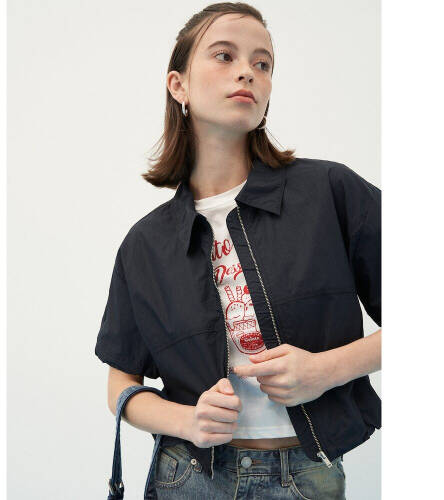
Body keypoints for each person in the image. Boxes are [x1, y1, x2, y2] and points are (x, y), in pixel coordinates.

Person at [95, 3, 381, 499]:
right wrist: (187, 420)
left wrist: (323, 371)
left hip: (304, 479)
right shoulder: (145, 244)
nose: (247, 71)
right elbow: (121, 384)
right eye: (224, 55)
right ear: (178, 85)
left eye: (262, 63)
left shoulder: (329, 192)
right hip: (187, 477)